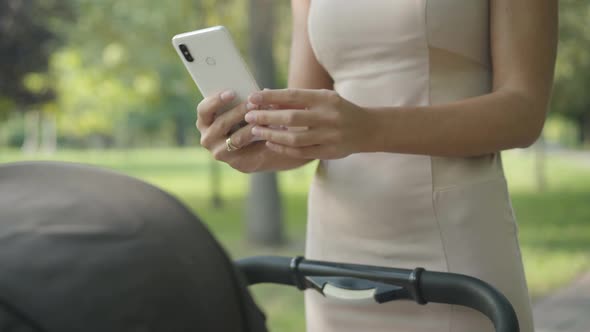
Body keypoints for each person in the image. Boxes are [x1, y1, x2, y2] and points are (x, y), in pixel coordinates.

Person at [195, 0, 557, 331]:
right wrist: (257, 146)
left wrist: (369, 128)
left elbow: (523, 110)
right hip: (337, 252)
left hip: (452, 243)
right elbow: (307, 121)